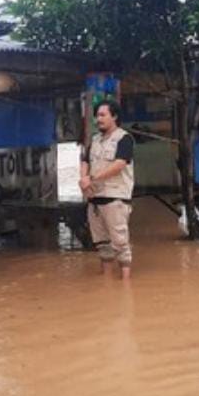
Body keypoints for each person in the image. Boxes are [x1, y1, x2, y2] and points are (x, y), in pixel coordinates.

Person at [80, 100, 135, 281]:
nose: (99, 119)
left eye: (103, 115)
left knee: (120, 243)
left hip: (116, 198)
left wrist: (92, 179)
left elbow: (119, 164)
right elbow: (85, 161)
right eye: (97, 116)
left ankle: (126, 285)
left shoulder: (124, 138)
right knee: (102, 244)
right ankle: (107, 281)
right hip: (95, 199)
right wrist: (83, 180)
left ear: (115, 117)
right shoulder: (94, 140)